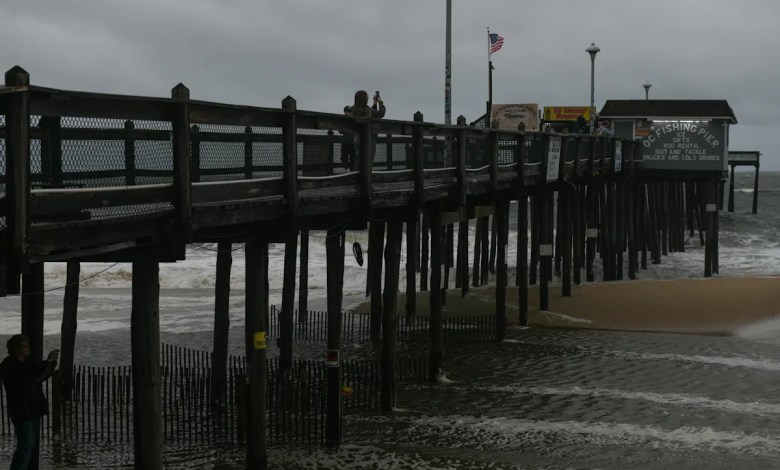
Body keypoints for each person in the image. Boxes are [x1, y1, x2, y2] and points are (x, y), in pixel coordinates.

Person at [0, 335, 59, 470]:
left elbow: (38, 377)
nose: (29, 348)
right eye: (25, 345)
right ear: (17, 348)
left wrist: (50, 363)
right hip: (22, 410)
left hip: (27, 409)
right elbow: (31, 379)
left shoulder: (21, 364)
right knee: (25, 446)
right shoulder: (11, 365)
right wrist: (46, 363)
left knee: (28, 446)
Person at [348, 90, 386, 171]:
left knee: (359, 160)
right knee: (368, 161)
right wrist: (380, 102)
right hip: (368, 139)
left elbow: (369, 113)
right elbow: (380, 113)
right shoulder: (367, 109)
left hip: (357, 138)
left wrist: (374, 104)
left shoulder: (352, 109)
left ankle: (355, 178)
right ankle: (365, 181)